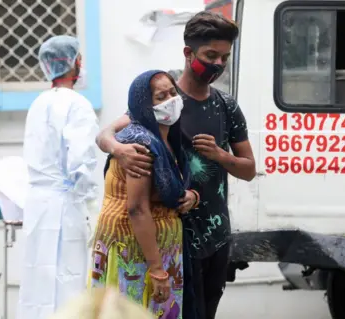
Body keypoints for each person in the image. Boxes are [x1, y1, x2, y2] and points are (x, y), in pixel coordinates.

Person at [95, 12, 256, 319]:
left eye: (224, 57)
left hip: (216, 235)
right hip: (175, 240)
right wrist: (120, 150)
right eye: (211, 56)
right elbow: (106, 134)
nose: (218, 65)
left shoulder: (226, 106)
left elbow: (249, 170)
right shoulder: (163, 96)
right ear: (188, 53)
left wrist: (221, 156)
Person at [89, 70, 196, 319]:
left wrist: (192, 195)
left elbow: (176, 185)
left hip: (161, 249)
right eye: (161, 96)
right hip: (136, 253)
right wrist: (157, 271)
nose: (171, 100)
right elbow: (137, 209)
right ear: (144, 105)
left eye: (172, 92)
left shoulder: (169, 137)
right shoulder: (139, 145)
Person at [17, 35, 99, 319]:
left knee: (37, 282)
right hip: (65, 205)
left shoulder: (38, 104)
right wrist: (92, 209)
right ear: (76, 62)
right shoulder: (78, 105)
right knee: (69, 282)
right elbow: (81, 163)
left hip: (38, 205)